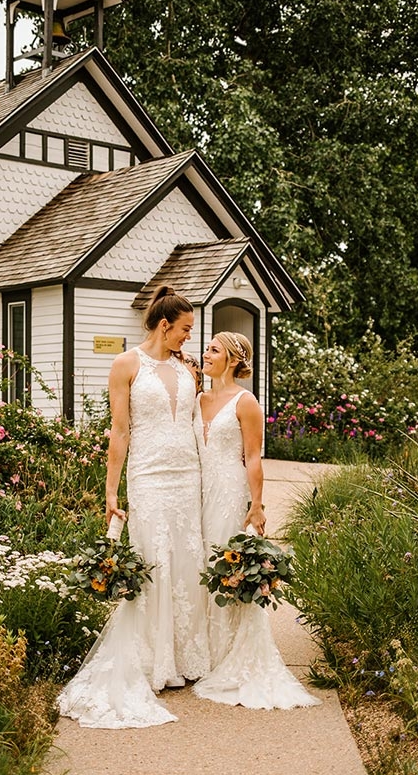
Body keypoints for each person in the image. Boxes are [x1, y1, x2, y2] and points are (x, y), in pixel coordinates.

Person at [57, 286, 211, 727]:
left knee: (186, 559)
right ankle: (153, 660)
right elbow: (119, 432)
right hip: (148, 477)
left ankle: (184, 657)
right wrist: (111, 492)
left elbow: (195, 423)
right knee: (153, 558)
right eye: (184, 329)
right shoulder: (125, 365)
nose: (188, 337)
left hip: (188, 477)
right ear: (165, 325)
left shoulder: (187, 368)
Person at [192, 331, 320, 709]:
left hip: (229, 493)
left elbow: (252, 457)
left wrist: (258, 504)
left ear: (232, 359)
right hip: (195, 493)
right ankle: (202, 654)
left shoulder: (246, 402)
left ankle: (230, 654)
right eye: (207, 348)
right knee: (199, 565)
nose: (206, 353)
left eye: (213, 349)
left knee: (224, 566)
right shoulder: (197, 398)